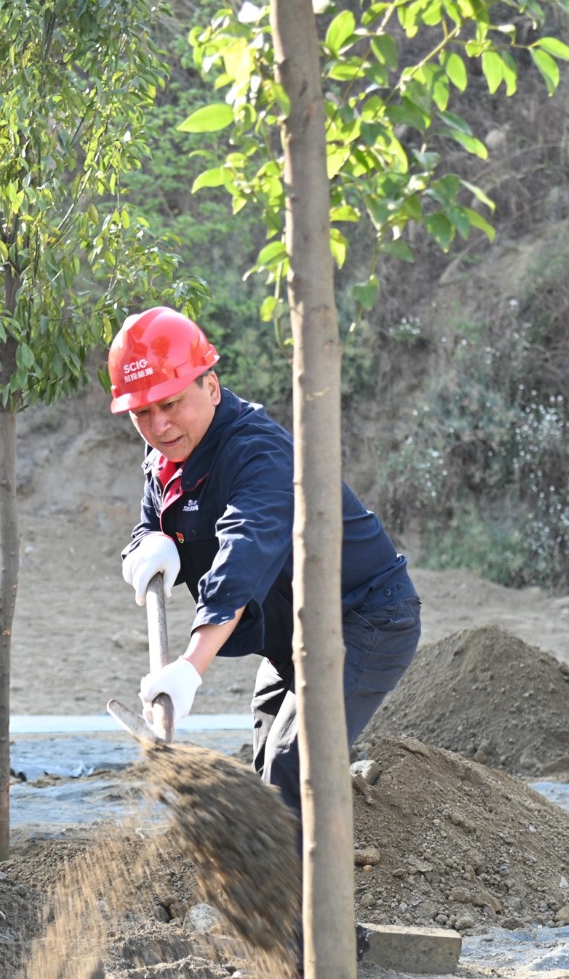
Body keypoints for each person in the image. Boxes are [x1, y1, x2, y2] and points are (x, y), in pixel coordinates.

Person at [110, 306, 421, 817]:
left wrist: (189, 669)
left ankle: (308, 870)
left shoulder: (260, 455)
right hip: (290, 627)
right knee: (267, 765)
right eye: (141, 413)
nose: (158, 425)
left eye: (171, 403)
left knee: (292, 761)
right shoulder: (167, 457)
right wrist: (148, 546)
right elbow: (151, 525)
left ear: (211, 386)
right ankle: (279, 862)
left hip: (363, 616)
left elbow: (242, 558)